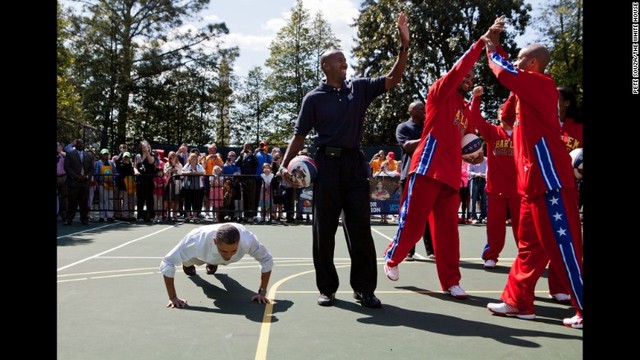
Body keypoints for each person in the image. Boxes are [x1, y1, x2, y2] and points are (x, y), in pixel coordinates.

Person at [278, 12, 410, 308]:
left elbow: (394, 78)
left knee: (360, 228)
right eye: (339, 60)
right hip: (325, 165)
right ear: (325, 66)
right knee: (323, 231)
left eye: (345, 60)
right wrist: (283, 167)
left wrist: (404, 46)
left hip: (353, 164)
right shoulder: (313, 98)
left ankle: (364, 289)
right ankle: (327, 288)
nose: (344, 63)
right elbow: (298, 137)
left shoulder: (359, 88)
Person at [381, 18, 494, 300]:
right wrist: (481, 42)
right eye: (465, 77)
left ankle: (451, 281)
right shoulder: (439, 93)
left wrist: (475, 152)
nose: (467, 80)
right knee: (414, 222)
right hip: (426, 168)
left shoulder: (464, 109)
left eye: (470, 79)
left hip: (450, 175)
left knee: (447, 232)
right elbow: (458, 70)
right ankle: (393, 257)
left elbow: (470, 138)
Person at [481, 17, 584, 329]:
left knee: (565, 248)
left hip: (550, 182)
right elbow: (506, 110)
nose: (517, 61)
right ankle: (518, 302)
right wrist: (497, 45)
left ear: (535, 63)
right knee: (529, 247)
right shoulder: (527, 93)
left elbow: (505, 72)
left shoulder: (542, 84)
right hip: (532, 184)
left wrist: (491, 48)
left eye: (523, 58)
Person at [159, 223, 273, 308]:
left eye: (233, 251)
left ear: (239, 242)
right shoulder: (196, 240)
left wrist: (262, 293)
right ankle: (189, 265)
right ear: (215, 242)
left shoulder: (248, 240)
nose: (228, 255)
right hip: (199, 256)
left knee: (225, 261)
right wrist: (172, 298)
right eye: (224, 251)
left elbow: (266, 259)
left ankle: (213, 263)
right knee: (190, 265)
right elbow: (167, 262)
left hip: (214, 255)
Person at [467, 88, 520, 269]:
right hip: (496, 188)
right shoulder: (492, 132)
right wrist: (476, 98)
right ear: (498, 115)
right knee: (495, 227)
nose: (504, 113)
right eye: (500, 111)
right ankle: (491, 256)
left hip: (519, 189)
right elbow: (475, 117)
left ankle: (525, 257)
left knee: (523, 229)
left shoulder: (523, 132)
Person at [395, 100, 434, 261]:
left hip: (426, 174)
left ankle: (431, 250)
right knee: (408, 214)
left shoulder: (428, 125)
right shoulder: (403, 127)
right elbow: (407, 146)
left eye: (424, 108)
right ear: (411, 111)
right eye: (419, 108)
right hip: (409, 175)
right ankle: (408, 250)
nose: (423, 110)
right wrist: (426, 138)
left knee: (427, 214)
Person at [64, 139, 95, 225]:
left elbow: (91, 169)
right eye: (79, 143)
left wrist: (86, 176)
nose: (81, 145)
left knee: (84, 202)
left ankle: (84, 219)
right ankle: (68, 219)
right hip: (73, 182)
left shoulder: (88, 156)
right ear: (76, 144)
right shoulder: (70, 154)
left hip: (84, 182)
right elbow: (67, 167)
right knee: (72, 202)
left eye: (82, 143)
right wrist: (75, 176)